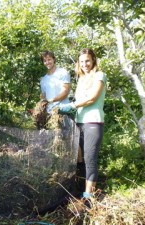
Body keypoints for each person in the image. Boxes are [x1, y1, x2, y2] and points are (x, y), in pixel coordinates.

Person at [59, 48, 107, 199]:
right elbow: (79, 101)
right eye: (81, 61)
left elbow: (92, 98)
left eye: (87, 60)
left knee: (90, 157)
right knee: (78, 158)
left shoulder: (99, 75)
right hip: (79, 122)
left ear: (93, 60)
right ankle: (79, 190)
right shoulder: (81, 79)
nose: (85, 64)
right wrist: (69, 108)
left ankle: (88, 196)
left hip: (93, 121)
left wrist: (72, 106)